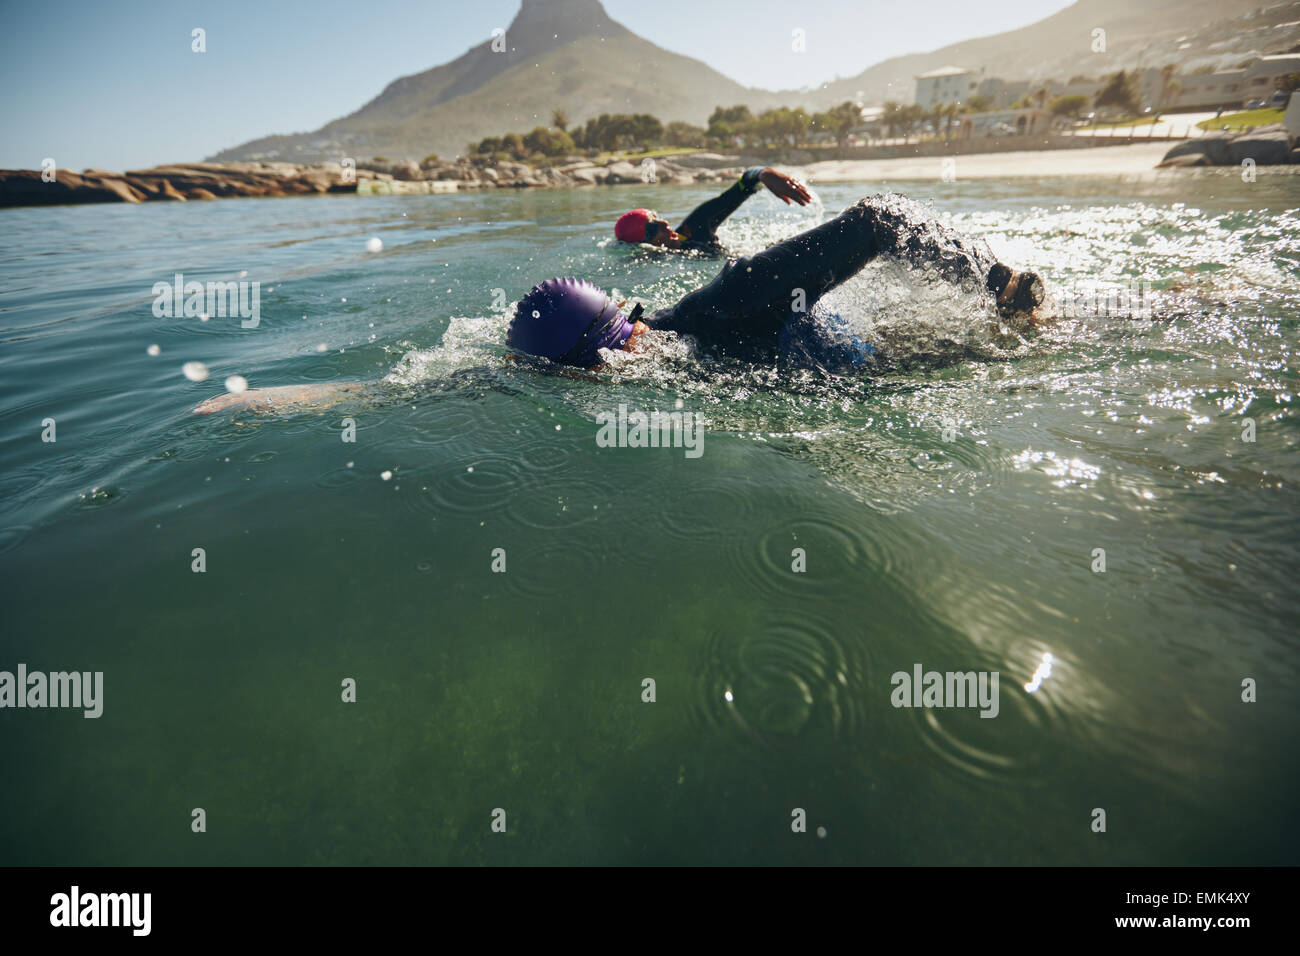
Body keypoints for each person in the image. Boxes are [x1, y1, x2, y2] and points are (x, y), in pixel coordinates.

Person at [193, 192, 1043, 415]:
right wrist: (293, 400)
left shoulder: (724, 307)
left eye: (605, 362)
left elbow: (876, 221)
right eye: (586, 375)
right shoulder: (574, 369)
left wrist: (1002, 290)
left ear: (624, 333)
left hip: (898, 359)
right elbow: (437, 383)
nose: (605, 378)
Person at [613, 166, 812, 254]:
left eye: (657, 218)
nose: (664, 224)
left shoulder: (695, 227)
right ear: (642, 245)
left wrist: (763, 174)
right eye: (652, 227)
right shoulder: (654, 264)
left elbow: (741, 187)